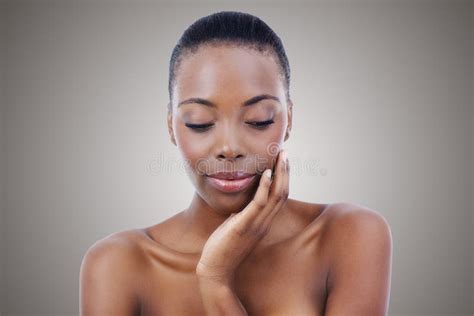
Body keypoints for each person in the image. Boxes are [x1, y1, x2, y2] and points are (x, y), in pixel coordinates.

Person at [79, 10, 392, 316]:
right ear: (170, 127)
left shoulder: (347, 236)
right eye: (199, 123)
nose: (229, 148)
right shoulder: (119, 264)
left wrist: (215, 280)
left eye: (259, 120)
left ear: (290, 118)